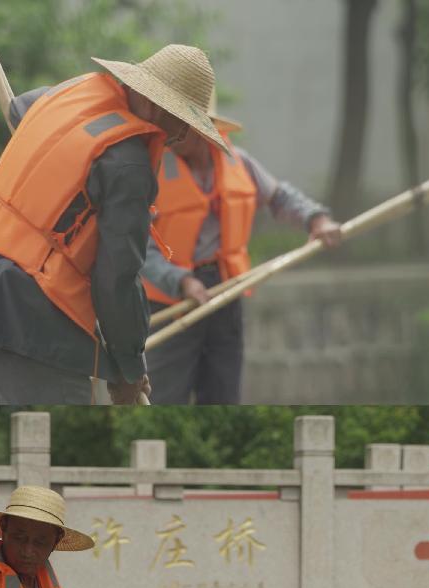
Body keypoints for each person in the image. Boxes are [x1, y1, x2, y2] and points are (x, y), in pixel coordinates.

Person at [0, 44, 229, 405]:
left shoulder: (70, 93)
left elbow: (17, 110)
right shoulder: (129, 166)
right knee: (60, 451)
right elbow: (117, 280)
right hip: (30, 320)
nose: (181, 137)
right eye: (184, 122)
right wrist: (130, 371)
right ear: (158, 104)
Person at [139, 94, 343, 404]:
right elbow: (139, 248)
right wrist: (180, 281)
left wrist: (316, 219)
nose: (172, 135)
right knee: (165, 396)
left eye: (182, 126)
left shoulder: (239, 162)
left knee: (224, 394)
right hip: (169, 302)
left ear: (204, 128)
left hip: (226, 293)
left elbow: (280, 198)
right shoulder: (151, 171)